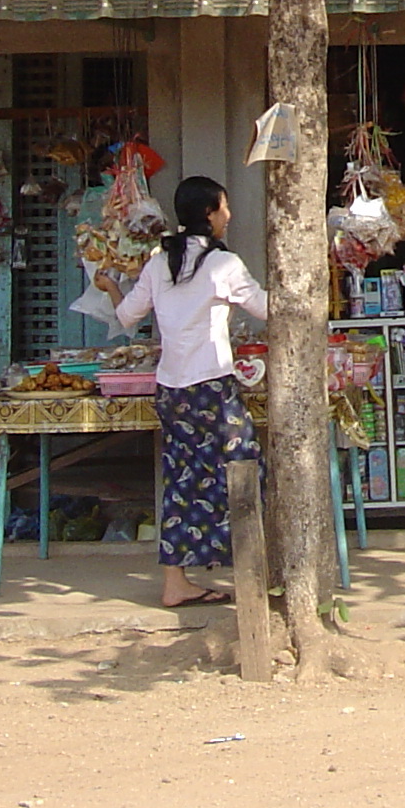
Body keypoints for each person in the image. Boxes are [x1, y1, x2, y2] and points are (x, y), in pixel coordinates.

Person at [115, 175, 267, 609]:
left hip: (171, 392)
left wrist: (109, 288)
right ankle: (248, 569)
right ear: (208, 214)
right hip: (211, 389)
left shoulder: (159, 262)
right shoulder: (223, 265)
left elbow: (127, 315)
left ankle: (176, 581)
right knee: (245, 468)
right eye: (224, 207)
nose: (229, 215)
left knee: (182, 480)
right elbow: (265, 308)